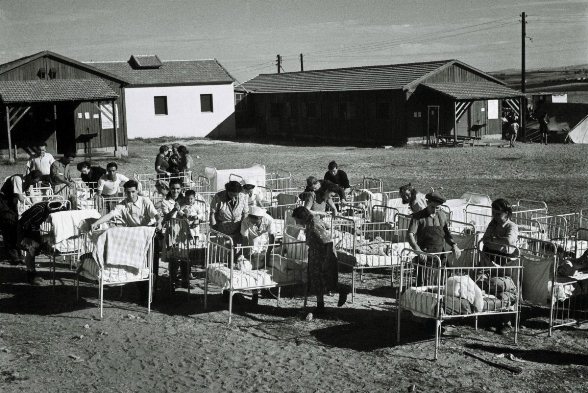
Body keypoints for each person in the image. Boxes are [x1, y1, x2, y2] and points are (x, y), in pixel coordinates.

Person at [91, 180, 163, 293]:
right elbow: (110, 215)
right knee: (138, 264)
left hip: (150, 235)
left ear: (137, 191)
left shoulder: (145, 201)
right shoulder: (122, 205)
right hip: (135, 238)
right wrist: (96, 223)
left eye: (133, 192)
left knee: (152, 265)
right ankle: (143, 291)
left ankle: (152, 292)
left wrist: (159, 222)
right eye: (128, 192)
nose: (131, 195)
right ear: (125, 192)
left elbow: (157, 215)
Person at [291, 206, 347, 314]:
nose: (297, 223)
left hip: (325, 256)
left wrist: (326, 260)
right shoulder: (310, 224)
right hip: (316, 256)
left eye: (297, 220)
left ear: (302, 217)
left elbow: (329, 242)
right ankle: (320, 306)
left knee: (328, 281)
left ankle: (342, 290)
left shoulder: (315, 225)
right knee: (316, 281)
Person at [480, 198, 519, 335]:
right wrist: (496, 242)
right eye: (493, 213)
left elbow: (509, 241)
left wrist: (494, 240)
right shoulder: (493, 223)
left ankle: (506, 322)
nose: (495, 216)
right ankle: (493, 319)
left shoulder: (511, 226)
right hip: (491, 258)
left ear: (507, 213)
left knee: (505, 290)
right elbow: (485, 239)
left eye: (498, 214)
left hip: (505, 262)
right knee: (491, 289)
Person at [17, 200, 68, 285]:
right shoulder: (39, 210)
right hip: (25, 230)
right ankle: (31, 277)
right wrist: (27, 238)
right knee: (31, 251)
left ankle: (32, 274)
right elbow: (24, 223)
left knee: (33, 252)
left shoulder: (50, 207)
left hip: (32, 229)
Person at [0, 170, 43, 264]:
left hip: (12, 202)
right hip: (3, 202)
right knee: (8, 227)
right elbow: (20, 197)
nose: (34, 184)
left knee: (15, 227)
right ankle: (14, 257)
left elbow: (31, 195)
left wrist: (37, 205)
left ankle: (18, 255)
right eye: (34, 182)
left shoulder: (29, 182)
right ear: (30, 177)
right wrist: (31, 205)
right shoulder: (17, 179)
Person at [407, 191, 461, 264]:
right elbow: (410, 235)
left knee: (444, 275)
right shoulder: (418, 217)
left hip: (440, 257)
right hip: (425, 257)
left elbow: (446, 234)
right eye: (432, 207)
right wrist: (419, 251)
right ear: (427, 203)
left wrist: (454, 245)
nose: (434, 210)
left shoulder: (442, 216)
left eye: (437, 208)